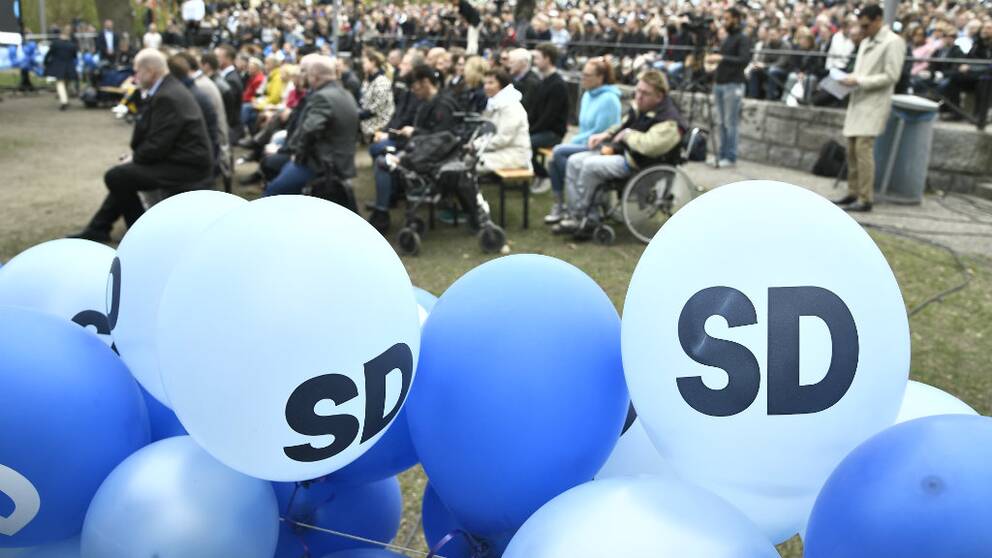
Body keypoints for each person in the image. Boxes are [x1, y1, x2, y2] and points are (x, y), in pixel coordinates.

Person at [68, 49, 213, 241]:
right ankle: (99, 227)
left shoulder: (167, 95)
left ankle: (140, 232)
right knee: (123, 176)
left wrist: (135, 158)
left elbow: (159, 143)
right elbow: (158, 139)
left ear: (151, 71)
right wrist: (135, 158)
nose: (134, 76)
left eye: (137, 71)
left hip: (187, 167)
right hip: (180, 159)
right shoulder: (167, 89)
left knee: (117, 176)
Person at [554, 70, 683, 236]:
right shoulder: (642, 108)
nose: (639, 96)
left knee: (589, 165)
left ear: (659, 96)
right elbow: (622, 127)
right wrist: (606, 135)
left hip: (639, 164)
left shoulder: (669, 121)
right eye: (638, 90)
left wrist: (629, 135)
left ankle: (586, 218)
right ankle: (576, 214)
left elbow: (650, 146)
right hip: (624, 154)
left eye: (645, 93)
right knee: (574, 161)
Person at [368, 63, 460, 233]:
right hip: (421, 150)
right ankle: (384, 206)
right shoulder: (428, 102)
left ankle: (382, 212)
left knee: (383, 161)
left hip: (431, 157)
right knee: (382, 156)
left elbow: (443, 139)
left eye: (415, 87)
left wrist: (413, 133)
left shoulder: (443, 105)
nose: (413, 91)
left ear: (425, 82)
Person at [835, 4, 906, 213]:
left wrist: (859, 80)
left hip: (874, 103)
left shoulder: (894, 42)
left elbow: (892, 76)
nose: (863, 30)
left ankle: (866, 198)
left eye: (866, 25)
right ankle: (853, 192)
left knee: (863, 150)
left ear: (878, 20)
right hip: (858, 101)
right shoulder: (866, 41)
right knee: (851, 150)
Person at [263, 55, 359, 197]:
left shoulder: (322, 97)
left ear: (314, 76)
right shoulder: (344, 93)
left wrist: (297, 155)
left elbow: (309, 130)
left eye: (306, 74)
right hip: (339, 160)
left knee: (272, 193)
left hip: (322, 165)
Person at [545, 57, 622, 224]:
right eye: (583, 74)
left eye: (587, 75)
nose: (582, 78)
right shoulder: (587, 95)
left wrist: (575, 141)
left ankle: (581, 202)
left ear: (600, 78)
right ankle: (560, 205)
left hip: (599, 146)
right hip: (584, 142)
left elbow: (601, 132)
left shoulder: (609, 99)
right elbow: (584, 128)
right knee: (553, 161)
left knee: (558, 152)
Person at [706, 8, 751, 168]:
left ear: (736, 19)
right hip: (720, 83)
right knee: (721, 122)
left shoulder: (743, 38)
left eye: (727, 19)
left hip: (733, 84)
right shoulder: (728, 38)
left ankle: (730, 156)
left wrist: (721, 58)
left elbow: (744, 60)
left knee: (730, 123)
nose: (724, 22)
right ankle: (721, 154)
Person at [527, 43, 569, 190]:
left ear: (548, 59)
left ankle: (544, 175)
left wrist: (530, 131)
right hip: (541, 129)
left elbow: (549, 117)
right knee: (521, 140)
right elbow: (535, 111)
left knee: (524, 144)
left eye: (537, 58)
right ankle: (537, 174)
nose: (535, 62)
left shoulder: (557, 84)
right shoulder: (544, 81)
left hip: (553, 132)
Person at [477, 69, 532, 173]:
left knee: (468, 162)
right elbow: (487, 132)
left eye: (491, 83)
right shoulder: (494, 103)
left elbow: (503, 138)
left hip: (514, 155)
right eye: (485, 83)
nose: (486, 87)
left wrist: (476, 146)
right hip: (500, 151)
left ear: (501, 84)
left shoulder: (510, 106)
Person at [359, 49, 396, 142]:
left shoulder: (382, 82)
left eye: (365, 62)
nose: (362, 65)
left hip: (379, 121)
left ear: (373, 63)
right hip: (368, 115)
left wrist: (358, 114)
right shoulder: (367, 80)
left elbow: (376, 109)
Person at [44, 25, 77, 111]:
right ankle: (65, 99)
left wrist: (45, 62)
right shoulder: (72, 45)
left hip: (58, 66)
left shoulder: (55, 43)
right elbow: (74, 56)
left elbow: (49, 54)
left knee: (60, 83)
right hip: (69, 66)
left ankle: (64, 101)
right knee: (66, 82)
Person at [214, 44, 244, 143]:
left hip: (230, 127)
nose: (214, 59)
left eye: (217, 57)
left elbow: (229, 108)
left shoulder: (232, 80)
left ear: (227, 59)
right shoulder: (224, 75)